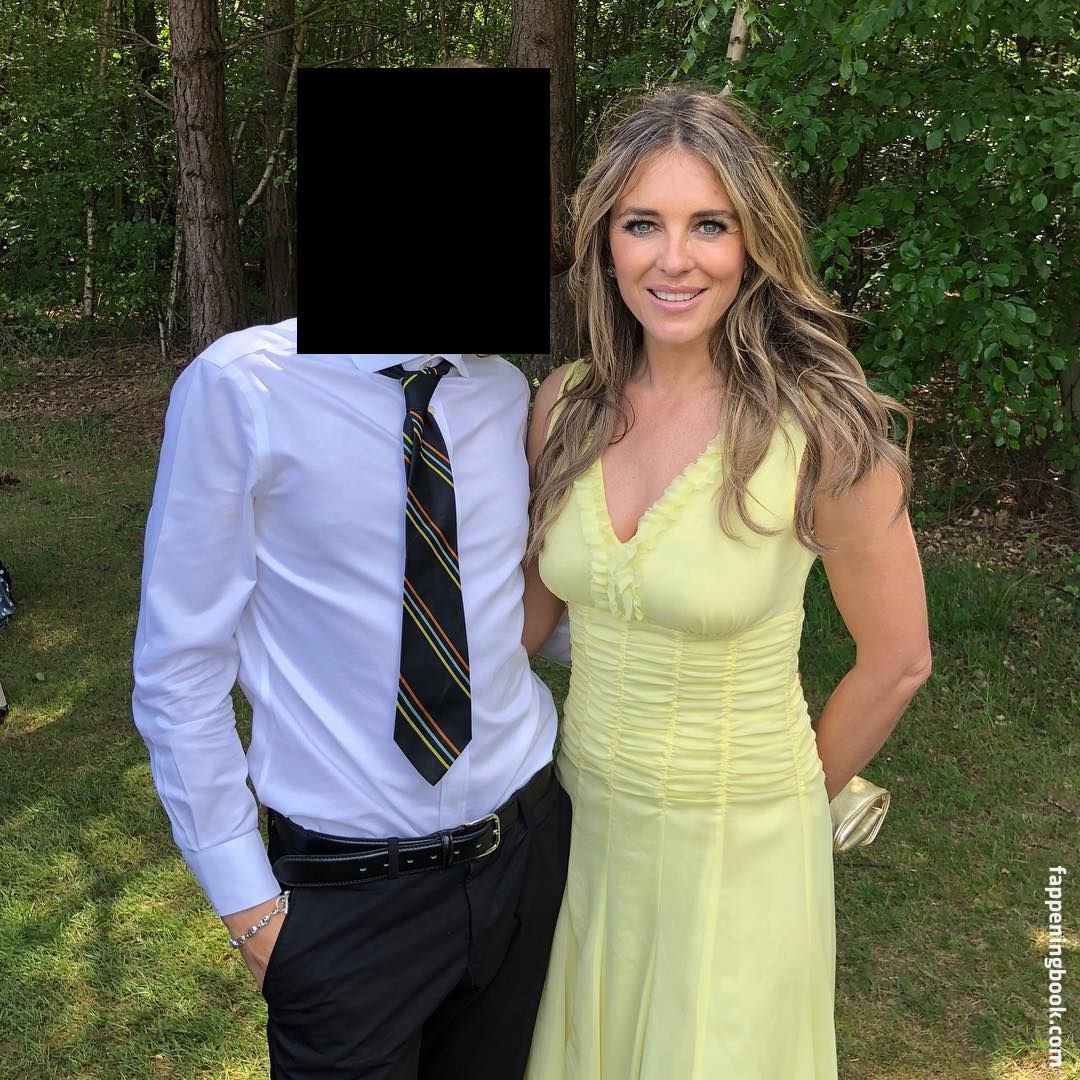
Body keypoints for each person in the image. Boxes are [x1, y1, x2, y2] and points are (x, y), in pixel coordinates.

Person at [520, 86, 932, 1079]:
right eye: (642, 224)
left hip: (741, 853)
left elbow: (898, 661)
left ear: (754, 242)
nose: (674, 259)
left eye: (709, 224)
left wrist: (783, 810)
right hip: (581, 833)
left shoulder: (823, 431)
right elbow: (524, 621)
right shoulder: (564, 405)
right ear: (603, 241)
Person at [131, 321, 571, 1078]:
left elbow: (508, 602)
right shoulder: (243, 385)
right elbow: (179, 668)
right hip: (347, 900)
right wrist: (250, 911)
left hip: (524, 857)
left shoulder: (502, 393)